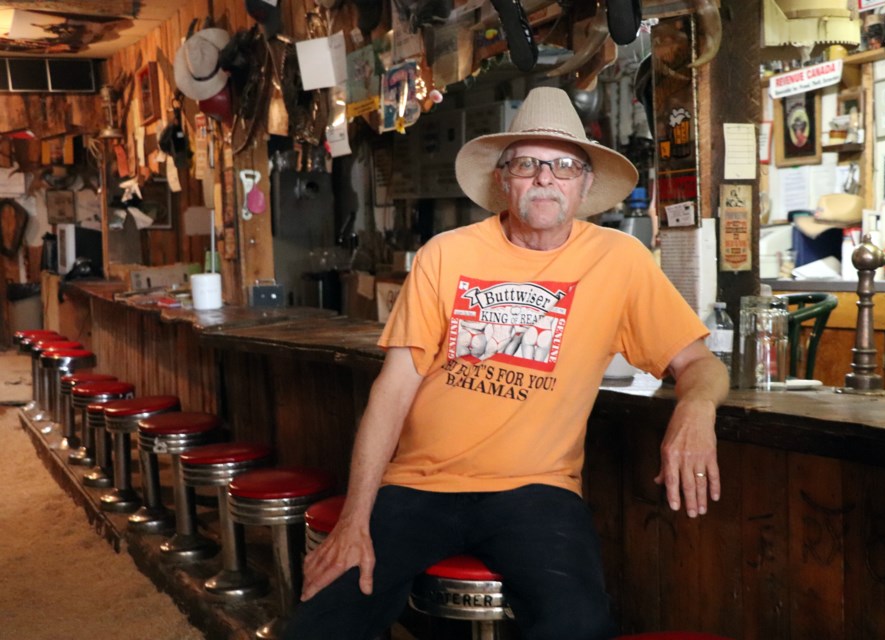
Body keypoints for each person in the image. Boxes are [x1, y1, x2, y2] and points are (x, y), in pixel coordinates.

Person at [283, 86, 729, 640]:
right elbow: (392, 392)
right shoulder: (445, 254)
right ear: (503, 179)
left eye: (564, 165)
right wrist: (354, 518)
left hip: (537, 490)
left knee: (578, 625)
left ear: (586, 184)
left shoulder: (621, 261)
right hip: (418, 484)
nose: (546, 177)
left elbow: (700, 363)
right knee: (325, 619)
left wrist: (696, 410)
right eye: (528, 164)